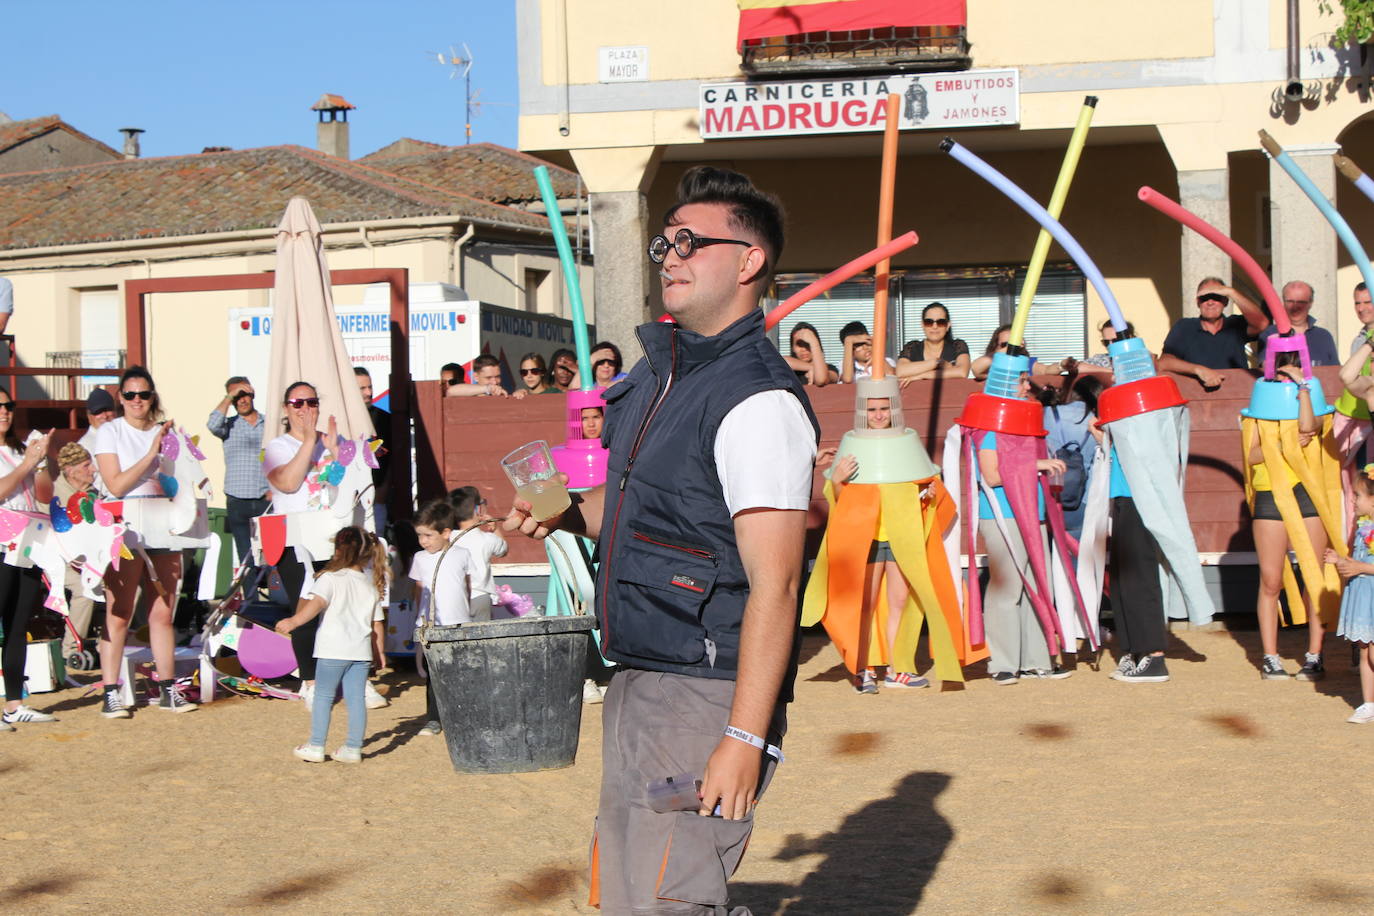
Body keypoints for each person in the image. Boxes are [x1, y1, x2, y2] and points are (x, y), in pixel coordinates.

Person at [506, 165, 819, 912]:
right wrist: (564, 514)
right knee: (623, 893)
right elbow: (639, 519)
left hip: (705, 691)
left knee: (668, 899)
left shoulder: (758, 401)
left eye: (691, 242)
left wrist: (743, 738)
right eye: (664, 243)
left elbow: (776, 582)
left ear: (749, 263)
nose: (670, 256)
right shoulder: (656, 377)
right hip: (638, 678)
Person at [92, 366, 195, 717]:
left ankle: (168, 689)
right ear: (121, 398)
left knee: (163, 613)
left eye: (144, 394)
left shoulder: (166, 433)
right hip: (125, 528)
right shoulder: (110, 432)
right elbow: (116, 485)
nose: (138, 401)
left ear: (153, 397)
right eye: (131, 394)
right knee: (119, 611)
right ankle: (110, 691)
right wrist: (152, 454)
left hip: (163, 526)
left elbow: (178, 480)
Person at [818, 397, 929, 694]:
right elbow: (839, 500)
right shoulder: (853, 442)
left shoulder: (906, 441)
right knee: (864, 605)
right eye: (872, 409)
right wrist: (839, 481)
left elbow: (923, 480)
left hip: (899, 533)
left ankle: (897, 668)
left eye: (884, 408)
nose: (879, 415)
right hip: (865, 536)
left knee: (899, 603)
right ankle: (861, 668)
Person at [976, 373, 1070, 684]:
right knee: (1008, 588)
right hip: (1003, 513)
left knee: (1036, 585)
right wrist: (1036, 465)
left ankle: (1035, 660)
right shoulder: (990, 425)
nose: (1026, 387)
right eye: (1019, 381)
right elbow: (991, 476)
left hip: (1033, 512)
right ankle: (1003, 662)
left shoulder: (1027, 423)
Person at [276, 525, 389, 763]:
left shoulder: (329, 579)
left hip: (332, 650)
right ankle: (353, 748)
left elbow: (315, 605)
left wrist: (293, 621)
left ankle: (316, 745)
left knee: (323, 697)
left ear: (338, 550)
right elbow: (377, 624)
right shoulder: (369, 585)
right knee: (356, 699)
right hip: (360, 652)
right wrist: (379, 654)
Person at [1247, 354, 1329, 680]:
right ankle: (1270, 656)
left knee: (1313, 575)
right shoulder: (1258, 405)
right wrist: (1283, 445)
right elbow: (1251, 454)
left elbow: (1312, 426)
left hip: (1307, 491)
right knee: (1271, 580)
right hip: (1269, 492)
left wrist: (1303, 388)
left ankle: (1315, 654)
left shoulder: (1310, 394)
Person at [262, 381, 340, 711]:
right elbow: (289, 483)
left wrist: (336, 454)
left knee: (339, 607)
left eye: (311, 402)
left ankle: (347, 677)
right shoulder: (273, 447)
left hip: (332, 533)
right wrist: (310, 440)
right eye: (297, 403)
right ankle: (309, 681)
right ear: (285, 408)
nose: (304, 409)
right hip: (294, 538)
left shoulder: (332, 441)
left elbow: (345, 483)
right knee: (305, 607)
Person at [1089, 416, 1172, 683]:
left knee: (1140, 578)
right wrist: (1103, 436)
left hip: (1142, 499)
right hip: (1124, 497)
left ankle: (1154, 655)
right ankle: (1135, 649)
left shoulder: (1145, 417)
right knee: (1123, 581)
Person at [0, 387, 53, 727]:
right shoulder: (20, 457)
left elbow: (44, 494)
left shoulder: (22, 449)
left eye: (8, 405)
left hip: (28, 540)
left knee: (19, 625)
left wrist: (42, 462)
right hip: (1, 541)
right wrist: (27, 465)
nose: (4, 411)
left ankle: (14, 703)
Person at [407, 498, 473, 738]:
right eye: (420, 536)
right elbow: (418, 590)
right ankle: (434, 718)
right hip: (431, 624)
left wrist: (468, 614)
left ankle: (462, 715)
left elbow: (467, 585)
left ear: (446, 532)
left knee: (461, 671)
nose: (423, 541)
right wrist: (419, 618)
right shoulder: (420, 558)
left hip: (459, 622)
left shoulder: (462, 554)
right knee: (433, 674)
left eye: (428, 535)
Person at [207, 376, 269, 575]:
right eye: (236, 397)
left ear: (252, 395)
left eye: (244, 395)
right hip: (237, 501)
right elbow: (212, 424)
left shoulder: (269, 423)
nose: (241, 400)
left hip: (265, 499)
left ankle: (277, 599)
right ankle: (252, 604)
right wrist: (228, 397)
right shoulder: (228, 426)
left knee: (272, 555)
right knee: (246, 558)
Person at [54, 442, 107, 669]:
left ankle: (113, 642)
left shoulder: (93, 493)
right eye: (87, 465)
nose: (93, 470)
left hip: (92, 556)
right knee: (85, 589)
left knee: (129, 584)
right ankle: (71, 650)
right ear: (71, 470)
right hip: (60, 558)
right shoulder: (55, 494)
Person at [1328, 467, 1374, 722]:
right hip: (1363, 596)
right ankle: (1369, 704)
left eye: (1357, 495)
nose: (1353, 500)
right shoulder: (1361, 527)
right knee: (1365, 649)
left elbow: (1364, 564)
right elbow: (1356, 559)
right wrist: (1340, 560)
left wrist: (1359, 568)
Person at [1158, 276, 1268, 383]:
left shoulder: (1235, 324)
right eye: (1204, 298)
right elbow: (1164, 363)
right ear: (1198, 302)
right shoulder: (1184, 326)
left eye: (1216, 297)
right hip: (1196, 396)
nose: (1210, 302)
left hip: (1237, 394)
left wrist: (1232, 292)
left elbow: (1262, 323)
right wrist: (1198, 370)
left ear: (1225, 301)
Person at [1042, 375, 1103, 540]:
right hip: (1083, 498)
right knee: (1077, 558)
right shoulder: (1097, 422)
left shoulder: (1047, 413)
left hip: (1049, 495)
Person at [448, 486, 509, 620]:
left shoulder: (448, 538)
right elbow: (503, 549)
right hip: (480, 596)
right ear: (477, 510)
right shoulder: (486, 539)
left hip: (454, 597)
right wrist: (494, 528)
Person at [1257, 280, 1340, 366]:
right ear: (1283, 302)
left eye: (1301, 302)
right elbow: (1267, 368)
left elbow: (1335, 371)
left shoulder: (1323, 336)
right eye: (1290, 301)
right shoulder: (1270, 334)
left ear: (1310, 303)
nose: (1295, 307)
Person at [354, 367, 392, 534]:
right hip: (348, 497)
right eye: (362, 388)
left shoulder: (382, 417)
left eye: (370, 387)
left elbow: (390, 457)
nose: (369, 392)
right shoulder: (337, 418)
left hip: (376, 493)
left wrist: (383, 489)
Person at [895, 302, 971, 381]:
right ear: (922, 325)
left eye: (941, 322)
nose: (935, 327)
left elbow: (962, 372)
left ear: (948, 326)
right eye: (929, 322)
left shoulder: (957, 346)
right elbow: (900, 372)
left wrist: (923, 376)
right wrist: (936, 362)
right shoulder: (912, 347)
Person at [79, 388, 116, 492]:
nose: (104, 416)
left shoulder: (124, 435)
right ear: (89, 415)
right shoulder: (83, 446)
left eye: (108, 410)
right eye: (98, 412)